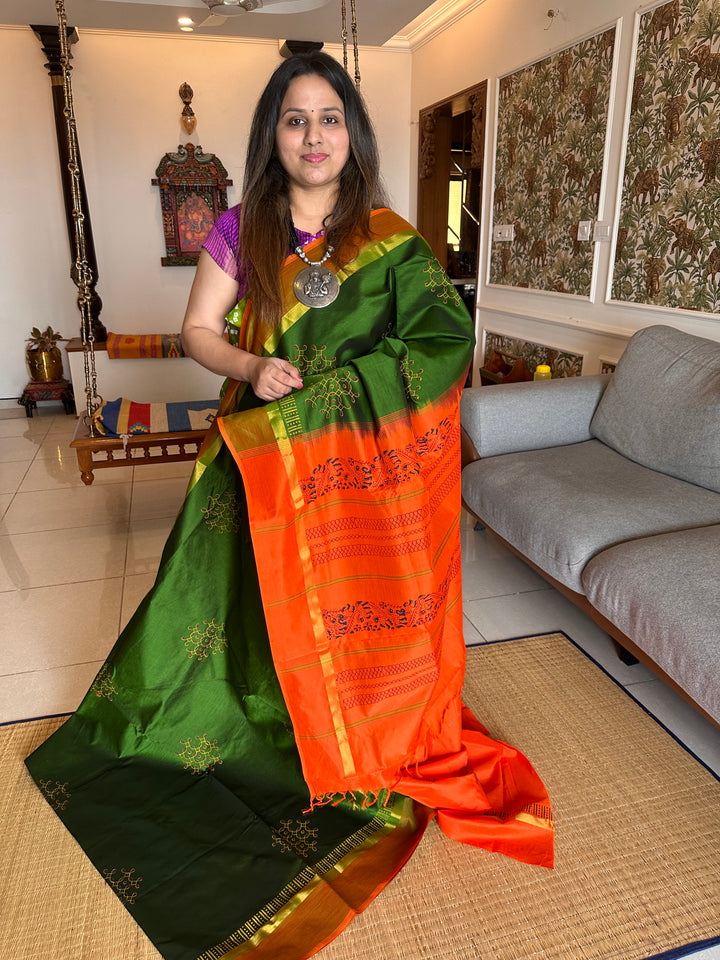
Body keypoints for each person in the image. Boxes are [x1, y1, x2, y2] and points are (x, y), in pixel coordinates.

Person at [26, 51, 553, 960]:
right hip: (263, 455)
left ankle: (354, 723)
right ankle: (272, 728)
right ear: (273, 133)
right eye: (296, 119)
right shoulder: (239, 229)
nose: (315, 136)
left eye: (331, 119)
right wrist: (249, 366)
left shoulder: (388, 237)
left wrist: (349, 391)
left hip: (352, 463)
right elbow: (200, 331)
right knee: (246, 610)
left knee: (349, 600)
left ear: (353, 133)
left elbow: (440, 338)